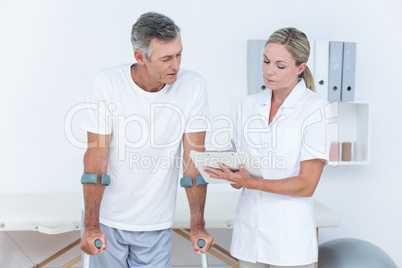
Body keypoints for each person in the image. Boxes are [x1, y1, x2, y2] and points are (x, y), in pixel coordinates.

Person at [79, 11, 215, 267]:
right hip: (107, 223)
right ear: (140, 57)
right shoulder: (106, 84)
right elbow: (97, 157)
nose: (175, 65)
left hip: (157, 223)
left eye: (179, 54)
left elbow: (193, 160)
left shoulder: (193, 85)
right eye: (166, 58)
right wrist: (91, 224)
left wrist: (198, 224)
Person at [205, 27, 331, 268]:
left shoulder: (316, 109)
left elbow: (307, 184)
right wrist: (230, 172)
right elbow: (241, 175)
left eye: (280, 66)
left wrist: (252, 183)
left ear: (300, 68)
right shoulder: (249, 105)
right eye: (265, 61)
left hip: (289, 240)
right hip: (249, 235)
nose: (269, 71)